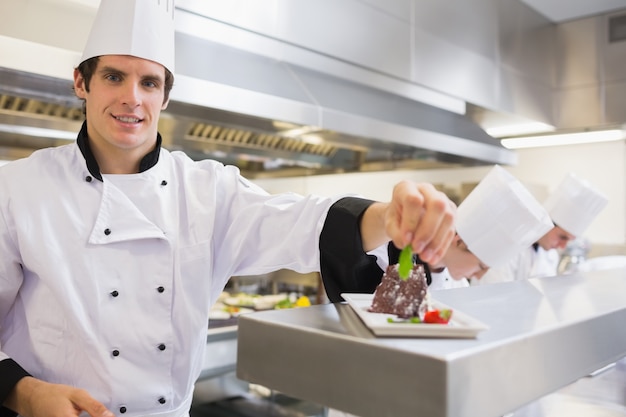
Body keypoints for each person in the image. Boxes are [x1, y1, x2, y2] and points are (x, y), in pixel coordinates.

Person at [0, 1, 456, 417]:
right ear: (81, 82)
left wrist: (388, 218)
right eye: (114, 76)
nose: (132, 98)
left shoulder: (207, 190)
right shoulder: (19, 188)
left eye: (149, 82)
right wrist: (25, 392)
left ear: (165, 95)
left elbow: (300, 224)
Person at [334, 165, 554, 296]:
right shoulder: (383, 249)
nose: (480, 274)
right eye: (481, 265)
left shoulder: (458, 284)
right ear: (460, 240)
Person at [474, 172, 608, 285]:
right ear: (548, 223)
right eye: (562, 237)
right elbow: (495, 295)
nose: (562, 246)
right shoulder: (509, 247)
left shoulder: (550, 255)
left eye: (569, 241)